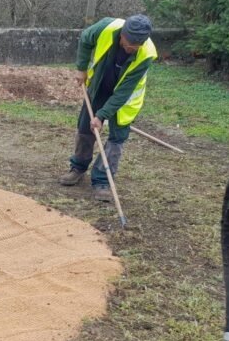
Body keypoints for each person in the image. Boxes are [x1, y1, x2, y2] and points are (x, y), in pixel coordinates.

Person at [59, 14, 157, 202]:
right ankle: (78, 168)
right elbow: (86, 39)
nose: (130, 50)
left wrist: (102, 115)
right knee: (85, 126)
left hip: (126, 99)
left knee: (117, 138)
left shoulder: (147, 54)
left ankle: (103, 180)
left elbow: (124, 92)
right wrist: (81, 68)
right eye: (128, 44)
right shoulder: (107, 27)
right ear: (122, 34)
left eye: (135, 47)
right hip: (99, 86)